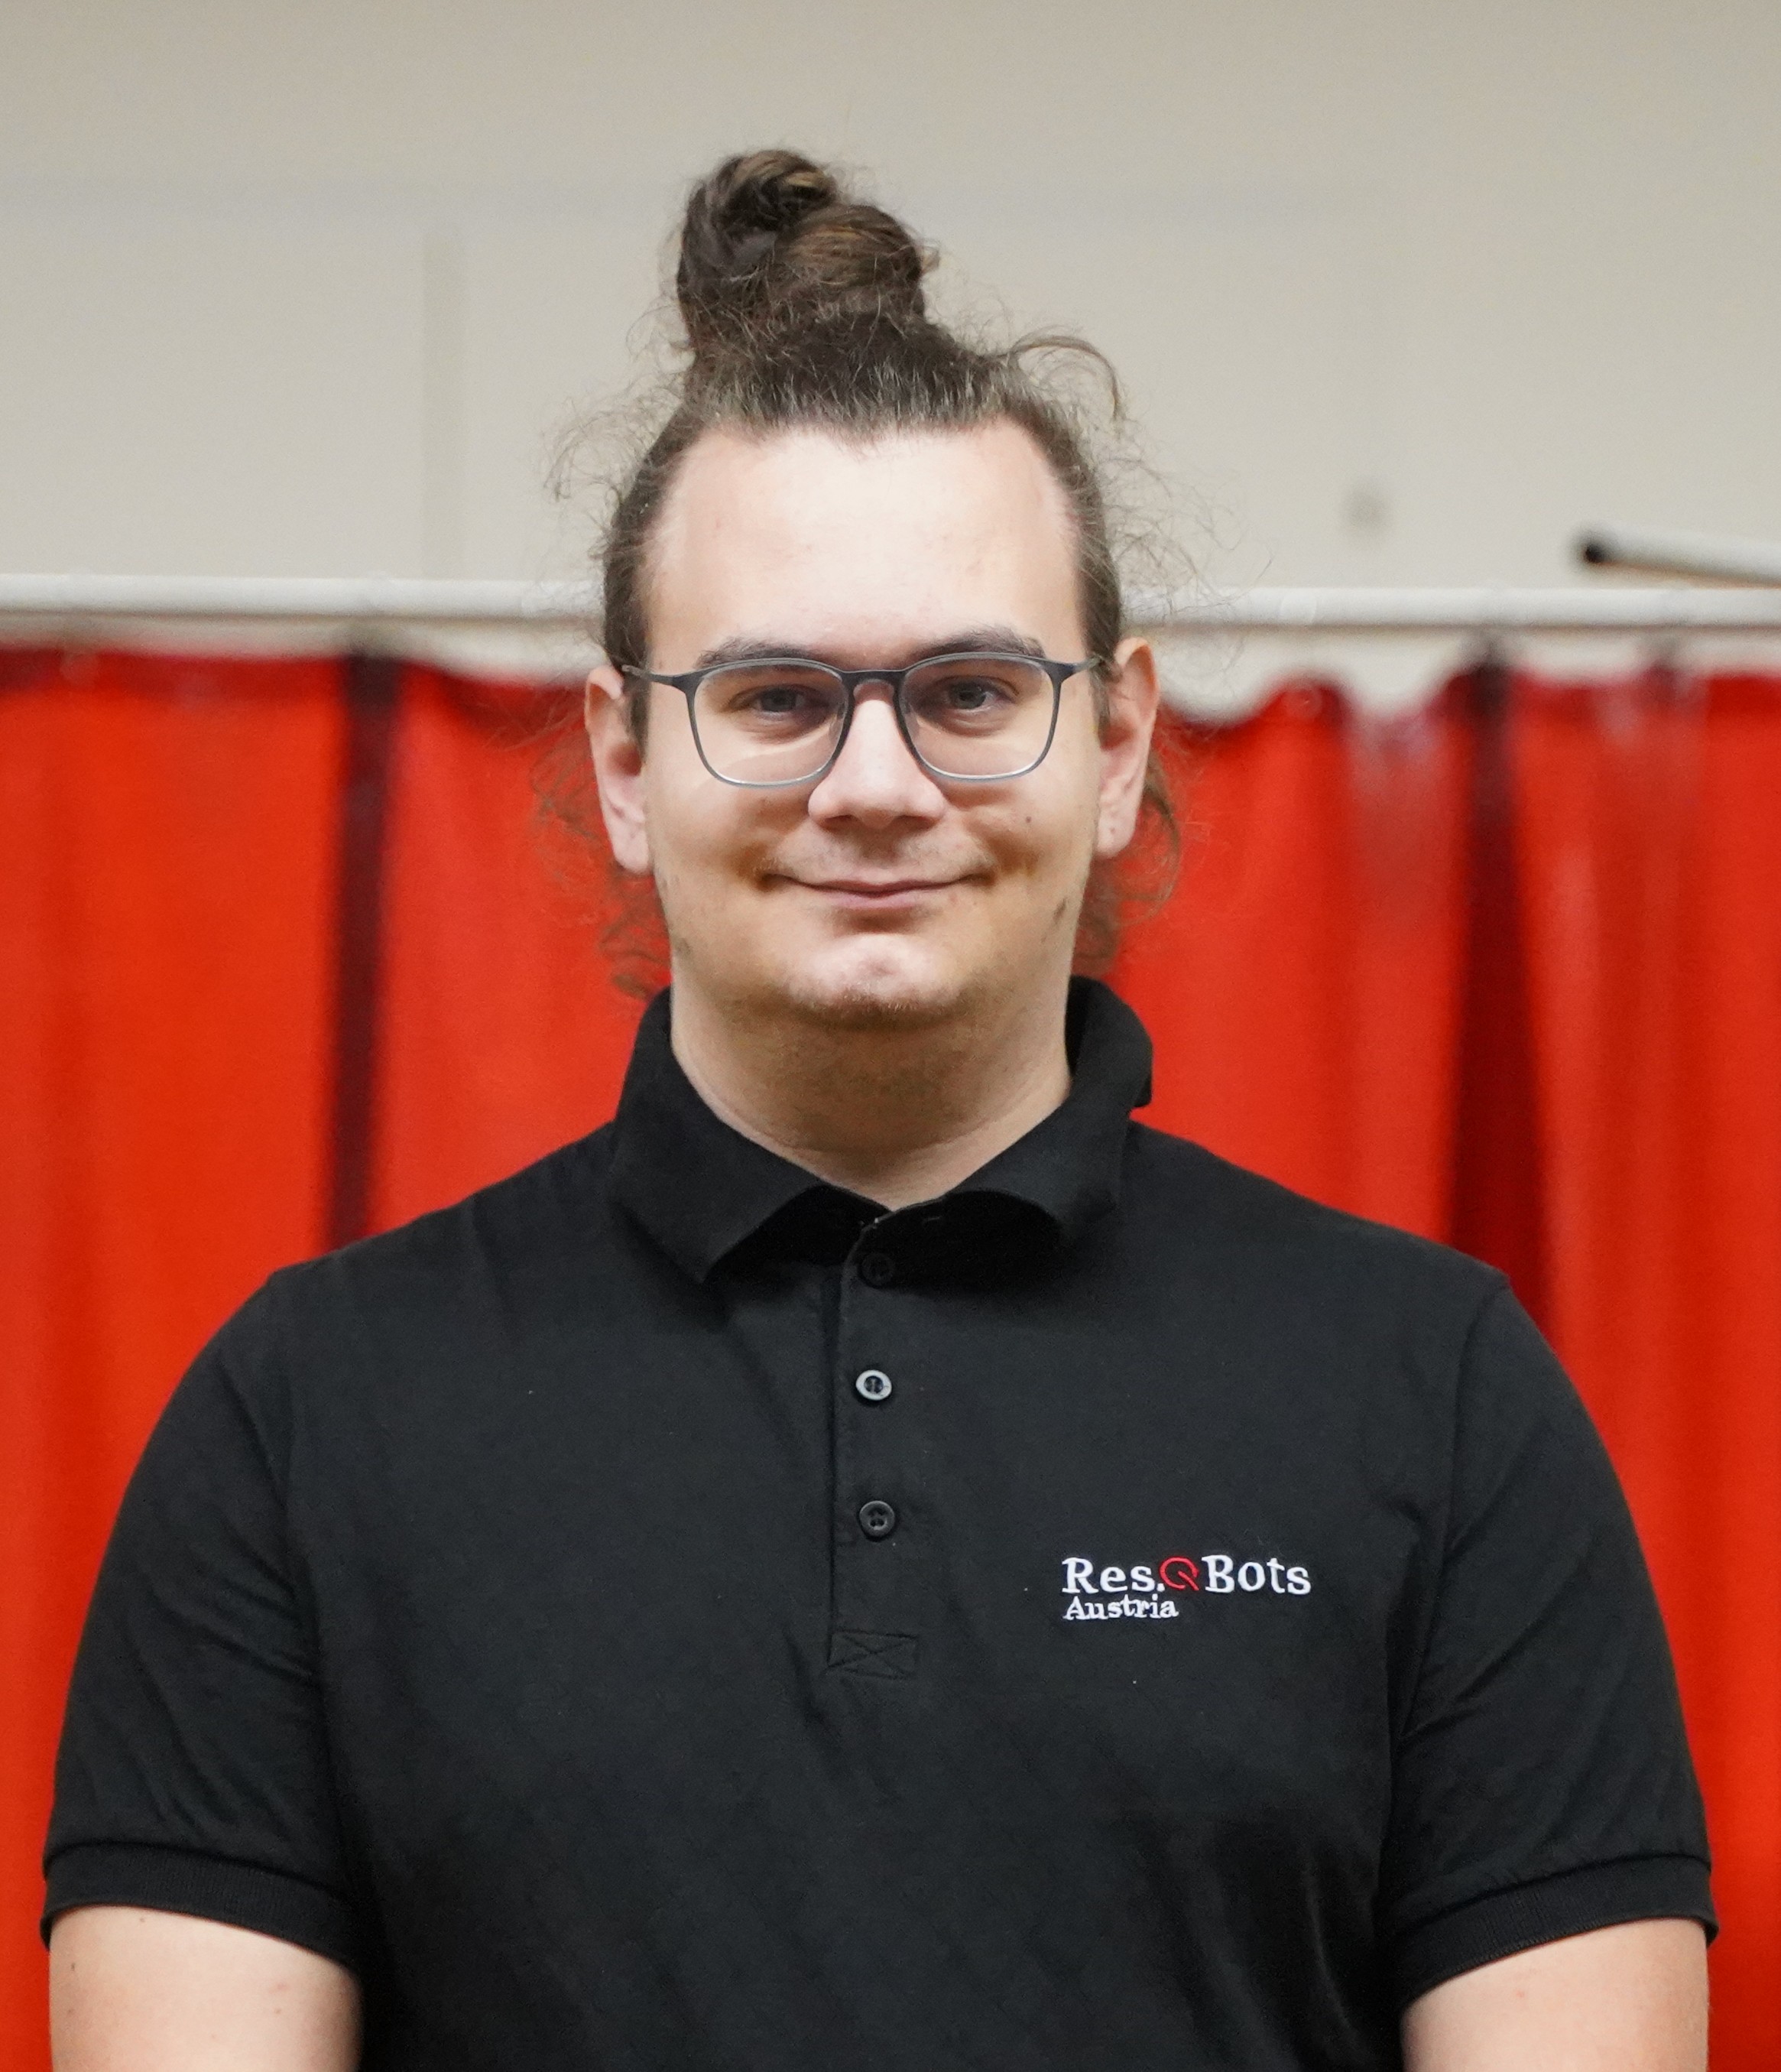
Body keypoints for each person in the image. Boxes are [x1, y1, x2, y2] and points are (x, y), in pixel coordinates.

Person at [45, 151, 1711, 2072]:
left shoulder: (1437, 1395)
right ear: (623, 756)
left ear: (1115, 740)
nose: (873, 783)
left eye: (970, 689)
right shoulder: (301, 1418)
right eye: (774, 696)